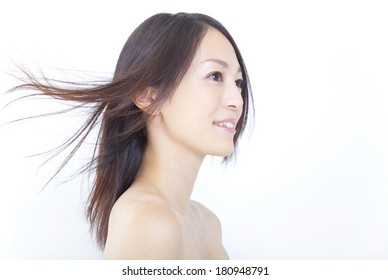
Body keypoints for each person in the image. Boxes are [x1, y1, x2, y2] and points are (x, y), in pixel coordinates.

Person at [11, 12, 253, 259]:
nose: (237, 100)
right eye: (215, 76)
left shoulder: (208, 223)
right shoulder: (149, 222)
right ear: (148, 97)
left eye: (238, 82)